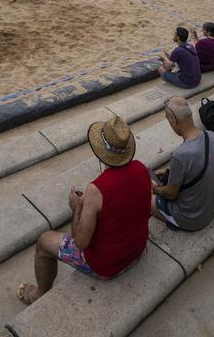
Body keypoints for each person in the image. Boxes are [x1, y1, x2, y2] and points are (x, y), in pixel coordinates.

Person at [18, 115, 150, 304]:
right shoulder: (141, 169)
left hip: (107, 265)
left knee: (44, 241)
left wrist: (76, 208)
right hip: (137, 249)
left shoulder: (96, 190)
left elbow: (80, 242)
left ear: (101, 151)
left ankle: (40, 293)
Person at [151, 98, 214, 231]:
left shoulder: (180, 154)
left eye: (168, 119)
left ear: (173, 119)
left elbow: (171, 194)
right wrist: (169, 172)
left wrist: (155, 189)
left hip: (191, 218)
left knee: (144, 196)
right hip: (210, 208)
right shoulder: (211, 135)